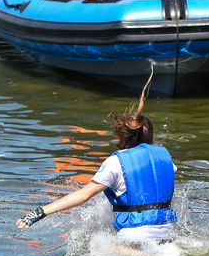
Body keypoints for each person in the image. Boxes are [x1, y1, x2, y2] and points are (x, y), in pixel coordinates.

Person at [17, 75, 178, 245]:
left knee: (95, 244)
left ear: (122, 137)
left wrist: (40, 212)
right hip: (169, 236)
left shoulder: (116, 163)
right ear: (151, 136)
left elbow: (84, 195)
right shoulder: (166, 160)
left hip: (134, 239)